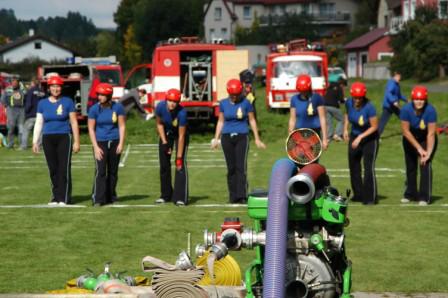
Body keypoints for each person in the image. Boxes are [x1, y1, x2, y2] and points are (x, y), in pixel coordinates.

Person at [212, 79, 266, 204]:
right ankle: (233, 196)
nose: (235, 97)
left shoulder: (246, 103)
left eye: (237, 95)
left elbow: (252, 121)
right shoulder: (223, 103)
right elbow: (220, 121)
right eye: (232, 95)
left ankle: (242, 196)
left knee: (241, 167)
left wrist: (257, 138)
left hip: (242, 136)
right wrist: (216, 138)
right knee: (231, 168)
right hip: (226, 137)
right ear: (229, 93)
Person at [32, 76, 80, 205]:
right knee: (53, 168)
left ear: (61, 88)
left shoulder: (68, 102)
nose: (55, 89)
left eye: (58, 86)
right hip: (47, 138)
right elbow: (39, 123)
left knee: (63, 168)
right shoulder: (42, 103)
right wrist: (35, 141)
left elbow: (74, 122)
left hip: (64, 136)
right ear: (49, 88)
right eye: (53, 86)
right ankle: (55, 196)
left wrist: (77, 141)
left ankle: (64, 198)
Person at [88, 83, 126, 206]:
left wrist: (121, 143)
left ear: (109, 95)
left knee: (113, 172)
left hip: (115, 142)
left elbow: (121, 126)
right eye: (98, 94)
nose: (100, 97)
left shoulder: (118, 107)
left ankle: (111, 196)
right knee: (100, 171)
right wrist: (96, 147)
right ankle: (98, 199)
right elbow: (91, 128)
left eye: (102, 95)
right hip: (100, 143)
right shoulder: (94, 109)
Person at [399, 86, 437, 206]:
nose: (419, 101)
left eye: (421, 99)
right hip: (410, 138)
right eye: (416, 99)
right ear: (412, 99)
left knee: (425, 165)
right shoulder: (405, 110)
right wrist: (418, 148)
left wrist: (428, 153)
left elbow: (431, 134)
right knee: (410, 166)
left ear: (425, 100)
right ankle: (410, 194)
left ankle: (424, 197)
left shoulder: (431, 111)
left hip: (426, 138)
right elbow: (406, 131)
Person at [343, 82, 379, 205]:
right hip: (355, 135)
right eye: (355, 97)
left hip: (370, 138)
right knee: (353, 165)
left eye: (360, 98)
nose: (357, 100)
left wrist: (360, 137)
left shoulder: (370, 107)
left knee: (368, 168)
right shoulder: (348, 102)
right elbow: (347, 115)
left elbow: (374, 126)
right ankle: (358, 194)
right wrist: (345, 129)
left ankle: (370, 197)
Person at [155, 88, 189, 206]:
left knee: (180, 165)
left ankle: (180, 197)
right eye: (170, 100)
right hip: (166, 133)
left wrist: (179, 157)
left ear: (178, 102)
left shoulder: (182, 113)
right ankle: (165, 195)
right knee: (164, 165)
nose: (172, 103)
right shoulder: (160, 107)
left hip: (180, 135)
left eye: (175, 101)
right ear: (166, 100)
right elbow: (159, 124)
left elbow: (181, 136)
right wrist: (164, 142)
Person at [288, 74, 328, 150]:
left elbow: (322, 119)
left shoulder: (317, 98)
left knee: (312, 160)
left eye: (304, 91)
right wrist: (290, 136)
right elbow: (292, 119)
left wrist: (325, 139)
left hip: (314, 134)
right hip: (299, 134)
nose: (303, 93)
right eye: (301, 91)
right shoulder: (294, 99)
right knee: (299, 159)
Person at [1, 78, 25, 149]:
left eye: (15, 82)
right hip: (11, 109)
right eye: (13, 82)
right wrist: (6, 106)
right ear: (11, 83)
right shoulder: (7, 89)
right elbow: (2, 99)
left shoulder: (23, 90)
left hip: (21, 110)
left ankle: (22, 144)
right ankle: (10, 143)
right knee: (11, 127)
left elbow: (27, 98)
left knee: (21, 128)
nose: (14, 84)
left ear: (18, 83)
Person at [22, 79, 44, 149]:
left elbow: (29, 103)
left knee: (26, 130)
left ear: (33, 83)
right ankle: (39, 145)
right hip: (41, 114)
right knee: (40, 131)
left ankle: (24, 146)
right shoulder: (43, 91)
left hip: (31, 114)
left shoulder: (30, 91)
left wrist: (26, 111)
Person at [324, 78, 345, 142]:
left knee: (329, 121)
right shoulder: (339, 88)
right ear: (342, 84)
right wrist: (344, 101)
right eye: (344, 85)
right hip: (333, 106)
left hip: (325, 105)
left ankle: (328, 137)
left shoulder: (330, 87)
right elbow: (341, 99)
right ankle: (337, 135)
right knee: (342, 119)